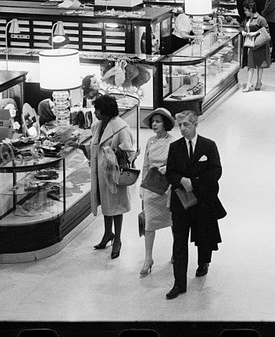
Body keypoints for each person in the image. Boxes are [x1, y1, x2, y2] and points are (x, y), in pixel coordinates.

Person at [165, 110, 226, 300]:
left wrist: (195, 182)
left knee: (203, 235)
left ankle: (203, 262)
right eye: (180, 125)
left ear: (195, 124)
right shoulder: (175, 147)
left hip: (202, 201)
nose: (183, 129)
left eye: (186, 125)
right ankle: (179, 283)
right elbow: (169, 172)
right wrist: (181, 180)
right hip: (181, 202)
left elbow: (216, 171)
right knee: (180, 241)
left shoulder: (208, 146)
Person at [90, 94, 137, 260]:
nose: (95, 112)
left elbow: (129, 152)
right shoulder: (97, 126)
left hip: (114, 175)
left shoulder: (121, 128)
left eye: (97, 110)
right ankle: (107, 233)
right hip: (100, 174)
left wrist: (114, 152)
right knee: (106, 204)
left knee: (116, 206)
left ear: (106, 111)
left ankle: (117, 239)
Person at [138, 107, 177, 276]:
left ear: (165, 124)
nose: (154, 124)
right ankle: (148, 258)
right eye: (153, 121)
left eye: (158, 121)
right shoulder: (150, 142)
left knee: (173, 222)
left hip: (167, 188)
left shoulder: (173, 142)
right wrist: (142, 185)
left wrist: (167, 168)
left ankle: (176, 250)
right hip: (151, 187)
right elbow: (146, 164)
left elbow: (177, 165)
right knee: (149, 224)